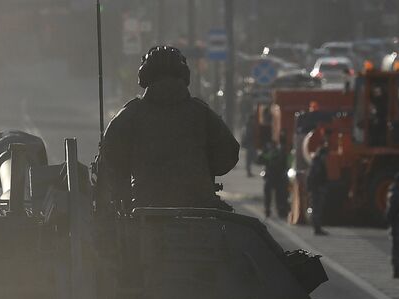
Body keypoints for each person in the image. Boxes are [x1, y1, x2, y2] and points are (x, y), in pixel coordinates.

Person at [97, 45, 239, 211]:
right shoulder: (202, 113)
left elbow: (111, 160)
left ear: (144, 76)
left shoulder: (129, 115)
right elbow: (228, 157)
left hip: (144, 212)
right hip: (201, 212)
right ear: (184, 75)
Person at [260, 138, 289, 219]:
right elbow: (260, 160)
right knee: (269, 195)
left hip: (278, 177)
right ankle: (268, 210)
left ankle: (280, 210)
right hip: (270, 176)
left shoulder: (280, 153)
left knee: (280, 195)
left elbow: (285, 164)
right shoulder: (269, 152)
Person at [306, 144, 330, 235]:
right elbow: (316, 178)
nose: (326, 157)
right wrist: (319, 188)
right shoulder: (317, 164)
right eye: (325, 155)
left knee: (317, 209)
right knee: (316, 209)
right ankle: (317, 228)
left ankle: (317, 228)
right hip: (317, 190)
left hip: (316, 190)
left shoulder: (316, 163)